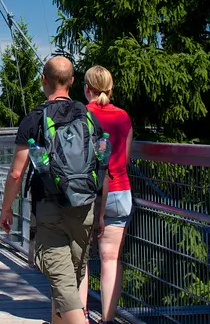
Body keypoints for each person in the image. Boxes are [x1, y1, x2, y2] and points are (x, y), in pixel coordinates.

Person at [0, 56, 107, 324]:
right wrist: (100, 213)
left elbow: (16, 173)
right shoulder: (90, 118)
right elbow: (102, 166)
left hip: (49, 208)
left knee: (64, 285)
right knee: (68, 281)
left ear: (43, 81)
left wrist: (6, 209)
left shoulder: (33, 120)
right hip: (85, 208)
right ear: (72, 81)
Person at [78, 66, 133, 324]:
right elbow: (126, 158)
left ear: (86, 88)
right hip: (120, 191)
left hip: (90, 194)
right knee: (110, 258)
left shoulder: (82, 116)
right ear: (110, 89)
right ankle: (107, 319)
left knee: (81, 258)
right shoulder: (123, 117)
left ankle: (81, 315)